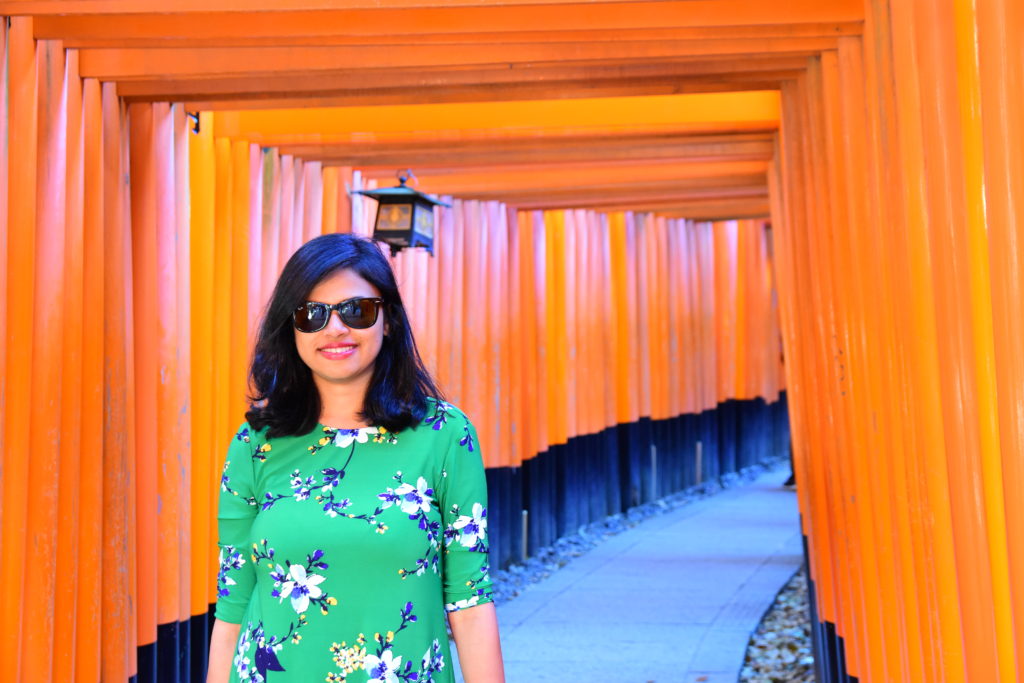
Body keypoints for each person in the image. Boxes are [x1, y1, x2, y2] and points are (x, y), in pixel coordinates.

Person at [206, 233, 505, 683]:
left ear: (389, 321)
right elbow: (233, 604)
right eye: (312, 314)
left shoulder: (444, 435)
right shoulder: (256, 443)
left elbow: (470, 601)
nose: (335, 329)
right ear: (291, 329)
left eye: (356, 310)